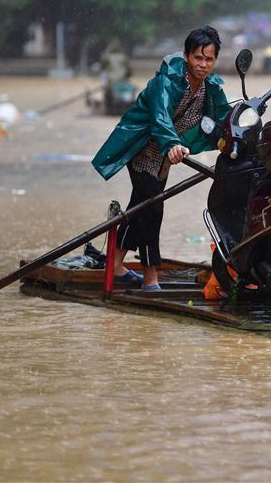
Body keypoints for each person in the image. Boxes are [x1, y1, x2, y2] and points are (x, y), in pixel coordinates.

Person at [91, 26, 230, 290]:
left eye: (209, 59)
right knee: (152, 208)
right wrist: (172, 144)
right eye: (198, 58)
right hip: (144, 148)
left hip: (167, 156)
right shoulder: (165, 82)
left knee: (139, 206)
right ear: (187, 56)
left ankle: (116, 264)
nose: (203, 64)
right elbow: (160, 118)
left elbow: (224, 119)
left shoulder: (211, 88)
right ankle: (150, 276)